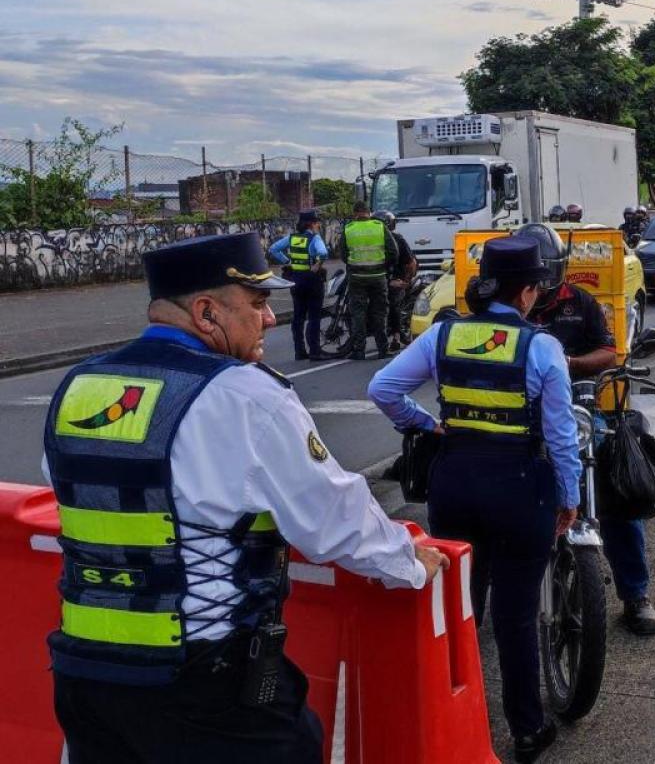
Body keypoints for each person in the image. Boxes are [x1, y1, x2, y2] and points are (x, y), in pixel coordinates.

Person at [43, 232, 447, 763]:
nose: (271, 319)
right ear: (207, 312)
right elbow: (332, 517)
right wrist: (409, 562)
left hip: (86, 680)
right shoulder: (245, 395)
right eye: (257, 304)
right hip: (206, 685)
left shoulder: (81, 386)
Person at [368, 236, 580, 763]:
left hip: (455, 481)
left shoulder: (442, 335)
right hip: (520, 488)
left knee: (458, 609)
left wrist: (427, 425)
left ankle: (446, 720)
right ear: (528, 292)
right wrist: (569, 496)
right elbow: (559, 437)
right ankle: (527, 731)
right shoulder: (542, 347)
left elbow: (383, 389)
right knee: (516, 615)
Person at [516, 223, 655, 637]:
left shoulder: (580, 302)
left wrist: (568, 364)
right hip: (520, 418)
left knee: (620, 495)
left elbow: (609, 352)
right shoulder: (508, 309)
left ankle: (636, 594)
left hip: (579, 414)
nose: (539, 285)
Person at [337, 200, 399, 360]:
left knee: (358, 313)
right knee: (380, 312)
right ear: (368, 212)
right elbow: (394, 251)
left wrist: (354, 266)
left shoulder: (348, 229)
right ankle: (382, 349)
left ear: (355, 213)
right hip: (378, 277)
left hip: (356, 277)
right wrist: (384, 267)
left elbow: (343, 254)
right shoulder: (379, 226)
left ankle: (359, 350)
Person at [269, 209, 329, 361]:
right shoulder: (315, 238)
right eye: (317, 223)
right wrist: (317, 264)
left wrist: (287, 262)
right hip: (312, 280)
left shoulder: (292, 237)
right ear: (311, 224)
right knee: (314, 317)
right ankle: (315, 351)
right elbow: (323, 253)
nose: (318, 225)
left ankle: (300, 351)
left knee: (298, 317)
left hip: (296, 280)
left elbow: (273, 249)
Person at [373, 209, 419, 352]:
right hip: (378, 279)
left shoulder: (398, 239)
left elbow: (411, 263)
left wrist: (405, 282)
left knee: (393, 303)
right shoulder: (372, 240)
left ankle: (396, 337)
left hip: (396, 279)